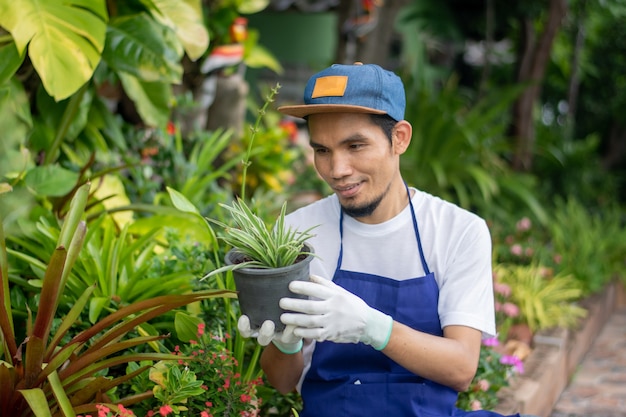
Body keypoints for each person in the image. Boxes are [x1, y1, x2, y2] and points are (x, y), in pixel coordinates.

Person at [237, 62, 523, 416]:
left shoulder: (457, 231)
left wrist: (370, 326)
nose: (337, 170)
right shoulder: (296, 234)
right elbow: (282, 381)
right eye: (322, 150)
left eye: (355, 145)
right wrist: (287, 341)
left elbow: (462, 368)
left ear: (399, 138)